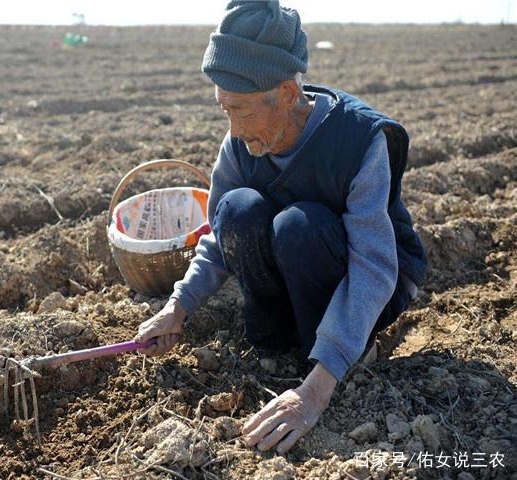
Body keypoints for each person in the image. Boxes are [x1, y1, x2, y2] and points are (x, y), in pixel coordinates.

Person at [135, 0, 427, 455]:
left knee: (299, 226)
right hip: (299, 268)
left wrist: (315, 392)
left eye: (244, 111)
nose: (234, 127)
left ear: (289, 94)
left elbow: (373, 266)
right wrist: (178, 305)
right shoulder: (240, 142)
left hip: (366, 283)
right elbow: (217, 235)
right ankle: (278, 344)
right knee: (237, 208)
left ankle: (340, 352)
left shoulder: (359, 141)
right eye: (224, 109)